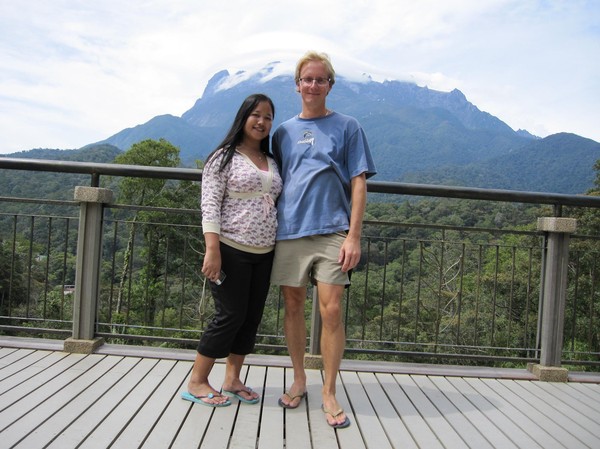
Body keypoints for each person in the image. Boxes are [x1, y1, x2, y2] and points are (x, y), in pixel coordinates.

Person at [271, 51, 376, 428]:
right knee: (293, 305)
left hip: (333, 230)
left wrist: (354, 235)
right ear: (296, 85)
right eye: (307, 79)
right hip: (290, 230)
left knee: (331, 310)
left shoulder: (348, 126)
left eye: (320, 79)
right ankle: (299, 378)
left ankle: (329, 390)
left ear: (330, 85)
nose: (313, 85)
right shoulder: (281, 131)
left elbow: (359, 182)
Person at [181, 93, 282, 407]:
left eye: (267, 117)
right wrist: (213, 249)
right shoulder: (223, 157)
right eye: (256, 115)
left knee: (250, 318)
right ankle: (197, 381)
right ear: (243, 118)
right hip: (230, 248)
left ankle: (233, 379)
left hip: (265, 251)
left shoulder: (272, 160)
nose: (261, 122)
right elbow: (209, 204)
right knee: (230, 315)